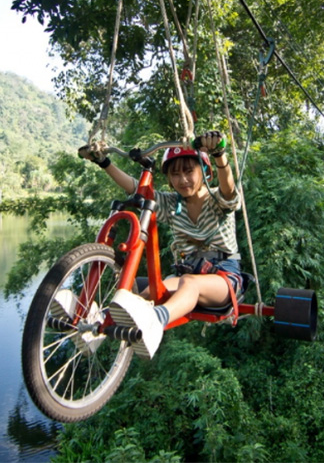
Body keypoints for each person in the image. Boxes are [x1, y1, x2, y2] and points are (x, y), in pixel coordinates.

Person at [65, 131, 242, 360]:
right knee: (147, 292)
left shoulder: (218, 199)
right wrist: (103, 161)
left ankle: (155, 321)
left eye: (189, 171)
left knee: (190, 283)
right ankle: (95, 321)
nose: (183, 180)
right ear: (169, 179)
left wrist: (219, 155)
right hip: (188, 272)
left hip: (224, 277)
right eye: (175, 174)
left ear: (205, 171)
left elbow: (228, 188)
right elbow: (134, 188)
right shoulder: (171, 204)